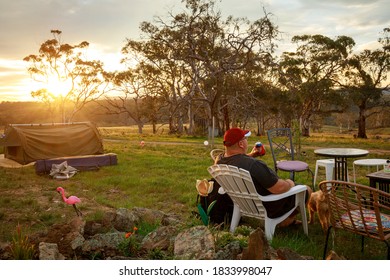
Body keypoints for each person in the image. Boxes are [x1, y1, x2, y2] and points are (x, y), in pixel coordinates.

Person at [216, 127, 312, 226]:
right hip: (268, 205)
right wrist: (290, 183)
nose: (247, 142)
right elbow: (278, 188)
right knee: (307, 190)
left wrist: (252, 154)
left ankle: (286, 220)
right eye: (246, 139)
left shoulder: (220, 161)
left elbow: (237, 159)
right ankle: (286, 220)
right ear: (241, 144)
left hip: (244, 204)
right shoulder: (254, 165)